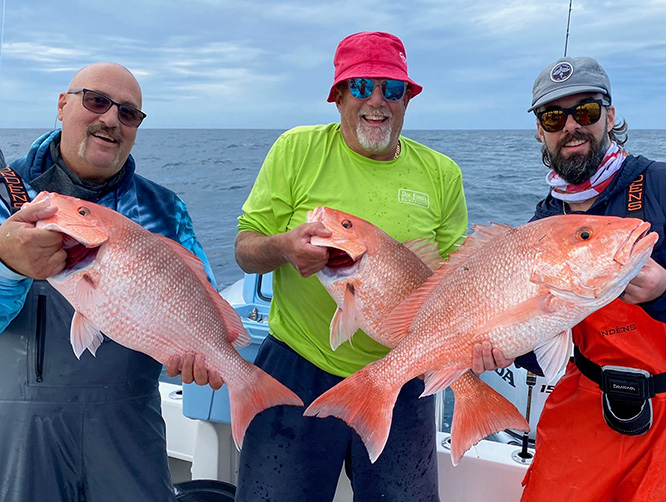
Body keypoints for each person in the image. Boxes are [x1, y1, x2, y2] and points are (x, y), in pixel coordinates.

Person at [233, 31, 468, 501]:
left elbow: (454, 282)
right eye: (361, 86)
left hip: (403, 377)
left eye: (392, 89)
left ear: (407, 99)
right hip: (298, 364)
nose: (376, 101)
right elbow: (245, 247)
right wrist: (282, 246)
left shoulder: (442, 174)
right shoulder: (296, 150)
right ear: (338, 96)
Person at [0, 62, 218, 502]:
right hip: (19, 434)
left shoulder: (164, 210)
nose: (111, 119)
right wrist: (8, 264)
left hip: (129, 425)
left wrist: (204, 353)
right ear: (63, 105)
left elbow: (203, 298)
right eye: (96, 101)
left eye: (129, 113)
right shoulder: (9, 196)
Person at [516, 57, 666, 501]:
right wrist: (504, 347)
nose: (571, 126)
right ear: (541, 132)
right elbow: (540, 345)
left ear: (611, 116)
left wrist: (664, 291)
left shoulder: (660, 185)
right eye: (553, 116)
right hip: (586, 402)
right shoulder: (542, 221)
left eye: (585, 111)